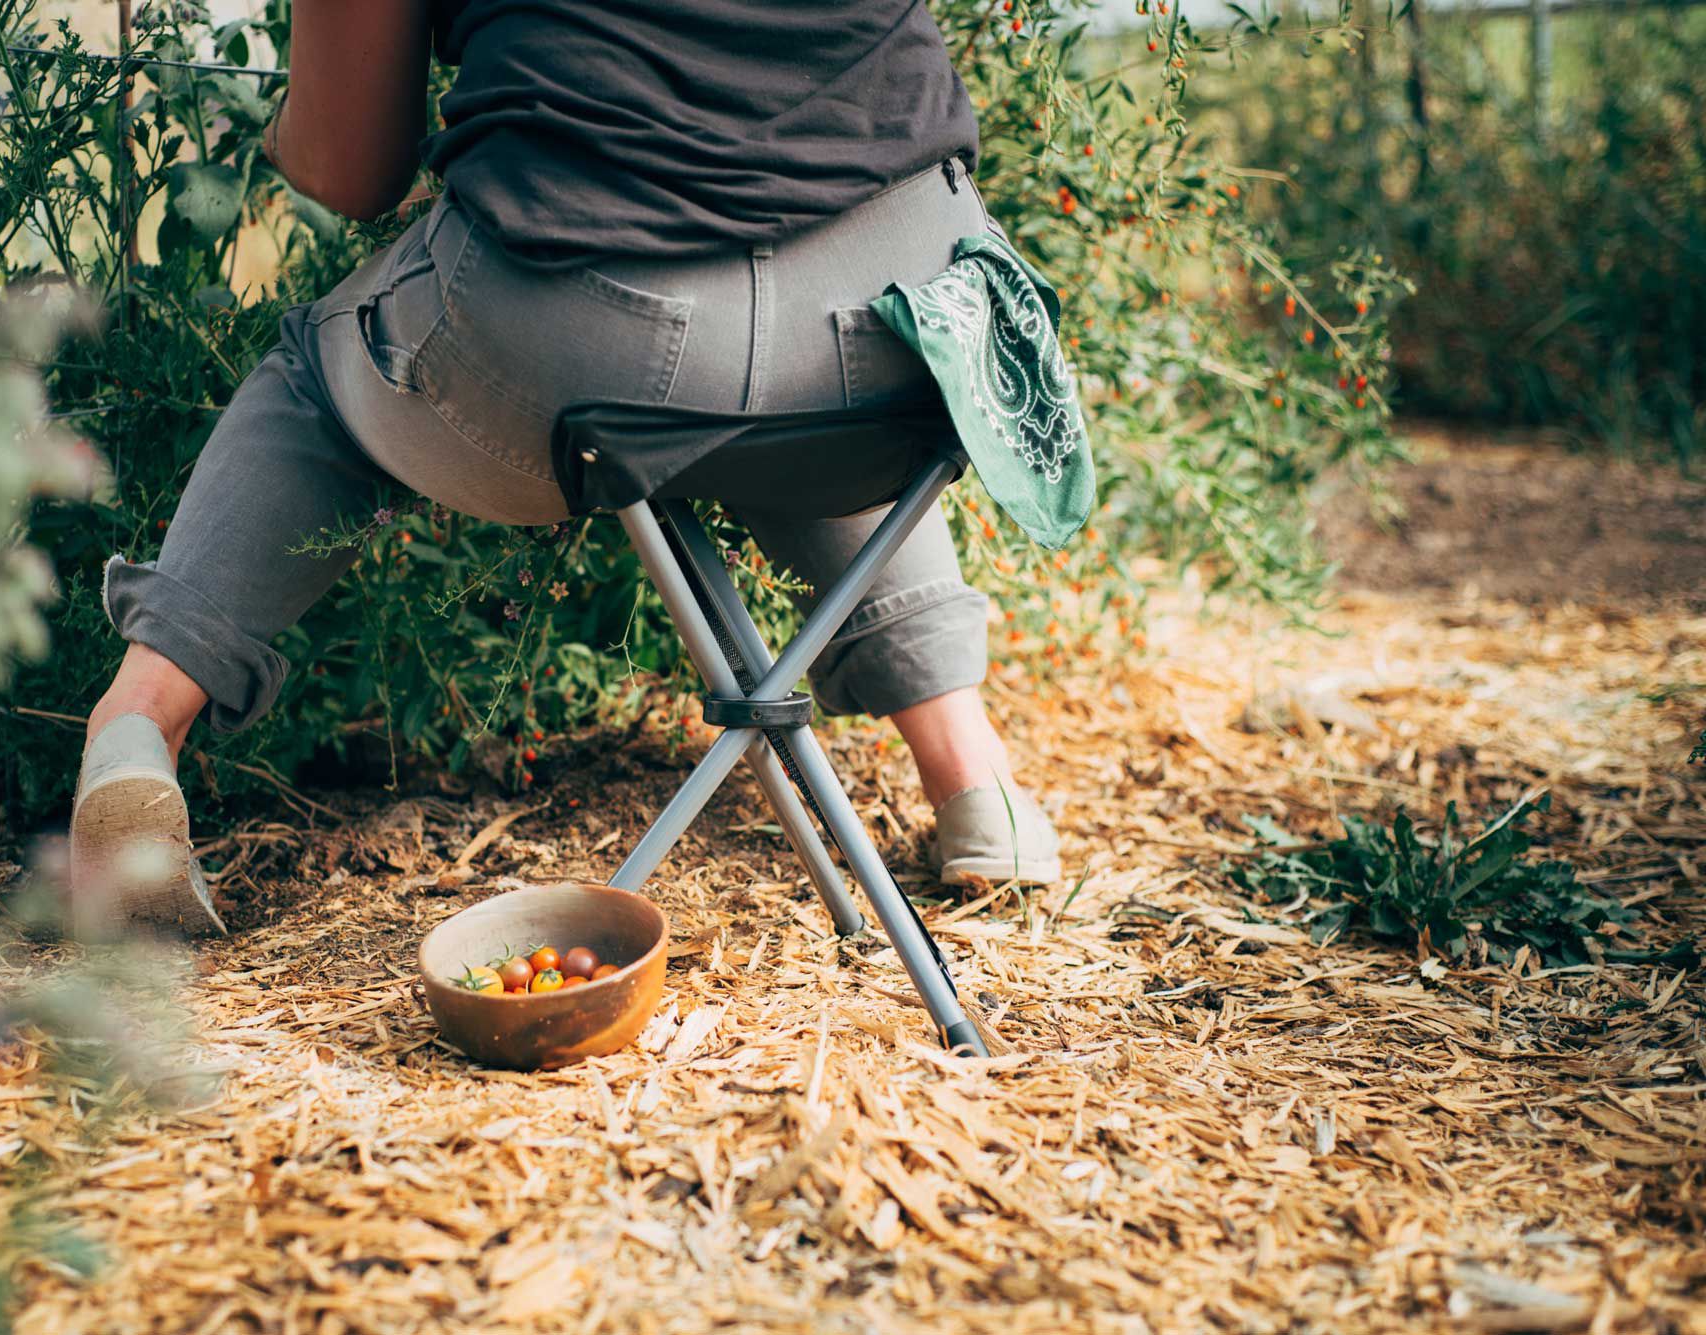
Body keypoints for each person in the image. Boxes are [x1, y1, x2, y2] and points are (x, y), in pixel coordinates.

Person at [70, 0, 1063, 933]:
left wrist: (305, 133)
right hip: (908, 313)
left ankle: (136, 729)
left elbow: (346, 163)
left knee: (324, 370)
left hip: (580, 317)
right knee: (811, 348)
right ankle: (972, 781)